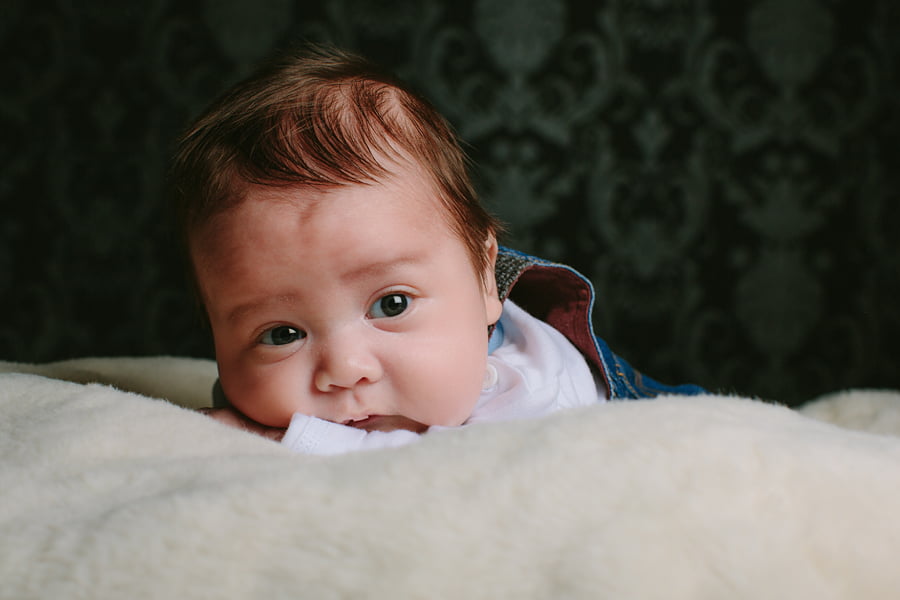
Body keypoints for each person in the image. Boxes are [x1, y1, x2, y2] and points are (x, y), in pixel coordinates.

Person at [170, 44, 704, 455]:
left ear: (483, 280)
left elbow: (438, 472)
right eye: (281, 334)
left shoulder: (531, 395)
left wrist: (277, 439)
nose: (346, 368)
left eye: (392, 304)